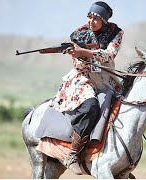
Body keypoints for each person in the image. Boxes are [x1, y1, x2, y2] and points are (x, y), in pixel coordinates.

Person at [44, 1, 124, 175]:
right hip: (82, 78)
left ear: (104, 20)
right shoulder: (78, 34)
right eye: (90, 17)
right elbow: (78, 63)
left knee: (125, 106)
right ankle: (73, 153)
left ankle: (121, 161)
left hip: (106, 79)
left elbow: (109, 55)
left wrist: (84, 52)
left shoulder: (116, 33)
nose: (91, 21)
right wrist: (76, 53)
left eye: (96, 18)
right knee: (90, 107)